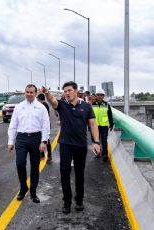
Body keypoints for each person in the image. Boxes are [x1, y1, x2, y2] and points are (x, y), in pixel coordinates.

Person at [42, 81, 100, 214]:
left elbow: (92, 124)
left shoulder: (86, 106)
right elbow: (52, 101)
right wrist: (47, 93)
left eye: (69, 90)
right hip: (66, 144)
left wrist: (96, 142)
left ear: (76, 91)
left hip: (80, 145)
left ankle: (79, 200)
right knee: (64, 172)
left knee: (80, 173)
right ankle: (67, 202)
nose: (67, 93)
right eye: (65, 91)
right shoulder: (62, 105)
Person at [8, 84, 50, 203]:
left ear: (35, 93)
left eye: (31, 92)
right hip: (21, 138)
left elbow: (46, 125)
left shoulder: (41, 107)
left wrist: (44, 141)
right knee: (20, 164)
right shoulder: (19, 107)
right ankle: (23, 188)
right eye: (27, 92)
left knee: (35, 166)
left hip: (36, 138)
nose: (29, 94)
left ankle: (33, 192)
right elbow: (13, 125)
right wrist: (11, 141)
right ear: (24, 93)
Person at [92, 89, 114, 162]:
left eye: (101, 95)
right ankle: (97, 153)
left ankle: (105, 154)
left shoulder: (107, 105)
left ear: (103, 96)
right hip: (95, 126)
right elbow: (89, 116)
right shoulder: (92, 105)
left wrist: (111, 124)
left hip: (104, 126)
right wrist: (89, 126)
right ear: (96, 96)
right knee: (96, 140)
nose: (99, 96)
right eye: (98, 95)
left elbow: (110, 115)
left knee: (104, 140)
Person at [36, 93, 53, 162]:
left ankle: (49, 156)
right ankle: (42, 155)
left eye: (38, 99)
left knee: (46, 141)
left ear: (40, 99)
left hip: (45, 126)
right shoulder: (42, 104)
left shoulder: (44, 105)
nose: (37, 100)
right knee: (41, 140)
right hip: (41, 126)